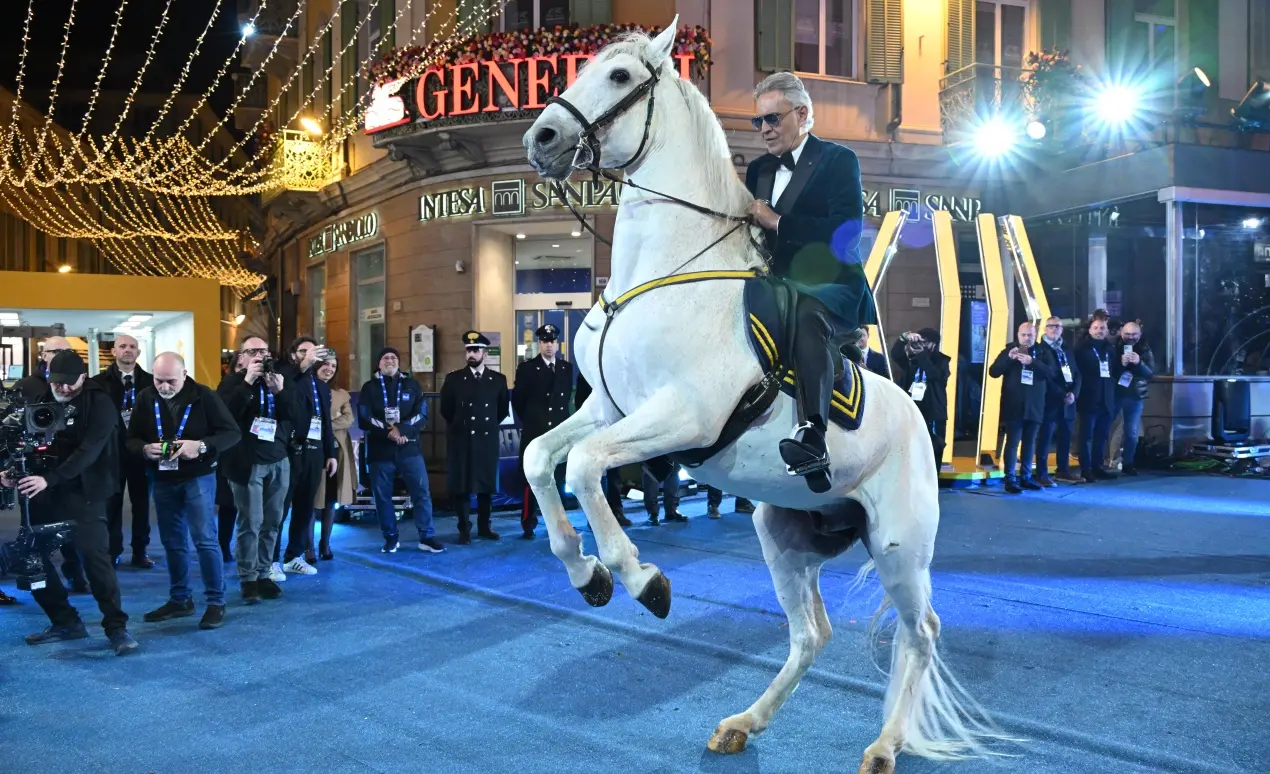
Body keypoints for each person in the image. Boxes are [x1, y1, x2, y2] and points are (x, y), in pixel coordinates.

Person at [744, 71, 875, 490]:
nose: (764, 130)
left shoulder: (839, 160)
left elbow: (847, 232)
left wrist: (778, 221)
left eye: (772, 119)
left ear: (802, 114)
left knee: (804, 314)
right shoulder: (760, 170)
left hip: (831, 284)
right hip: (776, 282)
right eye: (758, 122)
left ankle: (813, 435)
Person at [1, 351, 138, 654]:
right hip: (40, 492)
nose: (62, 389)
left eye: (68, 384)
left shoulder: (100, 402)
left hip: (85, 493)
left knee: (95, 560)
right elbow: (16, 439)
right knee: (32, 558)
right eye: (56, 383)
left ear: (83, 377)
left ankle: (116, 628)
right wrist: (8, 472)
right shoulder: (36, 394)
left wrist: (50, 478)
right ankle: (65, 621)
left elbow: (88, 452)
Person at [127, 352, 240, 630]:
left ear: (185, 373)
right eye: (159, 380)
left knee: (204, 540)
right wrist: (143, 449)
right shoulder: (145, 397)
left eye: (171, 381)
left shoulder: (205, 396)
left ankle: (216, 602)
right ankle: (180, 600)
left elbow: (231, 433)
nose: (164, 387)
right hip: (163, 478)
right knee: (172, 542)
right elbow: (130, 438)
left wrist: (200, 446)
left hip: (198, 477)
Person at [217, 338, 299, 604]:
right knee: (250, 522)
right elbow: (227, 416)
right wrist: (247, 383)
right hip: (247, 462)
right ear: (240, 358)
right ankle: (248, 578)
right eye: (251, 351)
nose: (258, 356)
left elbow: (296, 416)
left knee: (273, 520)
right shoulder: (231, 383)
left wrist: (281, 392)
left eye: (263, 351)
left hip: (278, 459)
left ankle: (264, 573)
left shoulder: (278, 380)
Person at [14, 336, 87, 592]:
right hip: (33, 472)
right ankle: (42, 586)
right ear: (43, 355)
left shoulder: (84, 392)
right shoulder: (26, 386)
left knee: (71, 531)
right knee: (34, 532)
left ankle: (76, 574)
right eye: (55, 351)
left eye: (67, 352)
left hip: (69, 472)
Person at [358, 347, 442, 554]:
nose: (389, 360)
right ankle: (390, 538)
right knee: (382, 496)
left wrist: (401, 429)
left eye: (394, 357)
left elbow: (422, 414)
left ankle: (427, 536)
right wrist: (390, 432)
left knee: (421, 492)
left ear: (399, 362)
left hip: (409, 448)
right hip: (380, 450)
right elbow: (364, 417)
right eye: (385, 357)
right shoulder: (369, 388)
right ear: (378, 363)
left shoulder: (412, 385)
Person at [91, 334, 155, 569]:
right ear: (114, 352)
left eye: (132, 347)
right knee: (111, 505)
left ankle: (141, 551)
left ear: (138, 353)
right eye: (123, 346)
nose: (128, 350)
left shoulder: (151, 381)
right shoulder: (98, 383)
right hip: (111, 454)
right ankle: (113, 551)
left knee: (142, 506)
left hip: (142, 453)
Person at [440, 331, 509, 543]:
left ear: (485, 353)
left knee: (485, 487)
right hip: (461, 440)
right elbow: (446, 410)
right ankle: (464, 529)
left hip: (486, 440)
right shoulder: (454, 379)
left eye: (476, 350)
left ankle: (484, 527)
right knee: (462, 487)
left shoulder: (498, 380)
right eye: (468, 350)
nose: (471, 353)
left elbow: (502, 410)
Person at [278, 337, 338, 575]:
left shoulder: (320, 385)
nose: (310, 357)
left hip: (315, 452)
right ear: (294, 354)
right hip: (290, 451)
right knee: (280, 508)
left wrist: (331, 453)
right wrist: (301, 368)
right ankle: (271, 560)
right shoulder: (287, 376)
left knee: (305, 507)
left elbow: (325, 422)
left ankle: (294, 555)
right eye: (304, 352)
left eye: (314, 353)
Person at [512, 324, 574, 540]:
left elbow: (565, 400)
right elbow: (518, 401)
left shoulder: (566, 368)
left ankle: (557, 523)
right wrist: (532, 421)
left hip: (558, 429)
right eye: (545, 341)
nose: (549, 345)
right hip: (535, 431)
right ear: (539, 344)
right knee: (533, 477)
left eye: (552, 341)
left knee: (557, 477)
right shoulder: (527, 368)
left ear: (557, 344)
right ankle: (529, 522)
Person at [989, 322, 1056, 493]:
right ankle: (1010, 478)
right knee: (1012, 442)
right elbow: (994, 371)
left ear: (1035, 335)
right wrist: (1008, 359)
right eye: (1024, 335)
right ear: (1018, 335)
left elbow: (1052, 373)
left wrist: (1032, 361)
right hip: (1014, 404)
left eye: (1030, 335)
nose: (1027, 338)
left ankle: (1026, 477)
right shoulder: (1010, 350)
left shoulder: (1043, 352)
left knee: (1029, 442)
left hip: (1035, 404)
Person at [889, 328, 952, 469]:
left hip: (934, 410)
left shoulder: (942, 360)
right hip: (914, 409)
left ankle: (934, 477)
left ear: (933, 344)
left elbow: (934, 374)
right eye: (919, 342)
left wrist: (922, 355)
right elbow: (895, 355)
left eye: (924, 342)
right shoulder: (913, 359)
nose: (921, 345)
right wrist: (904, 338)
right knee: (913, 444)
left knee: (935, 444)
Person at [315, 354, 355, 559]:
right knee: (310, 499)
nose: (329, 369)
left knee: (331, 498)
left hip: (336, 451)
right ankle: (305, 547)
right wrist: (332, 421)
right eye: (325, 364)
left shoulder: (341, 394)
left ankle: (325, 544)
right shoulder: (305, 389)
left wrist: (324, 425)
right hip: (311, 450)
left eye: (333, 365)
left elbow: (348, 418)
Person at [1036, 316, 1082, 485]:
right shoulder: (1040, 350)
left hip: (1069, 401)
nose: (1054, 329)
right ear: (1044, 329)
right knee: (1045, 438)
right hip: (1050, 400)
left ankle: (1062, 470)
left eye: (1058, 326)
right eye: (1051, 326)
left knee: (1066, 436)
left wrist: (1073, 394)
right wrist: (1062, 394)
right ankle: (1041, 473)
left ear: (1062, 329)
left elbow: (1077, 373)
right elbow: (1045, 377)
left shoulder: (1066, 349)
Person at [1074, 315, 1118, 482]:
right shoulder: (1082, 349)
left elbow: (1114, 371)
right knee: (1086, 437)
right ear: (1090, 330)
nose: (1100, 331)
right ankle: (1086, 469)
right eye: (1096, 328)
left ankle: (1098, 467)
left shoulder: (1109, 348)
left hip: (1106, 399)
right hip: (1088, 398)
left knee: (1102, 435)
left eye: (1102, 328)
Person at [1112, 321, 1155, 475]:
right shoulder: (1112, 346)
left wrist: (1139, 363)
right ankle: (1105, 461)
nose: (1130, 338)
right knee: (1107, 429)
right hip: (1114, 393)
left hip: (1134, 395)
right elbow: (1107, 371)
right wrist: (1120, 364)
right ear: (1121, 333)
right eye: (1127, 334)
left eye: (1134, 335)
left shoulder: (1144, 348)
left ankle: (1128, 463)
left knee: (1131, 431)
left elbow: (1150, 373)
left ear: (1140, 334)